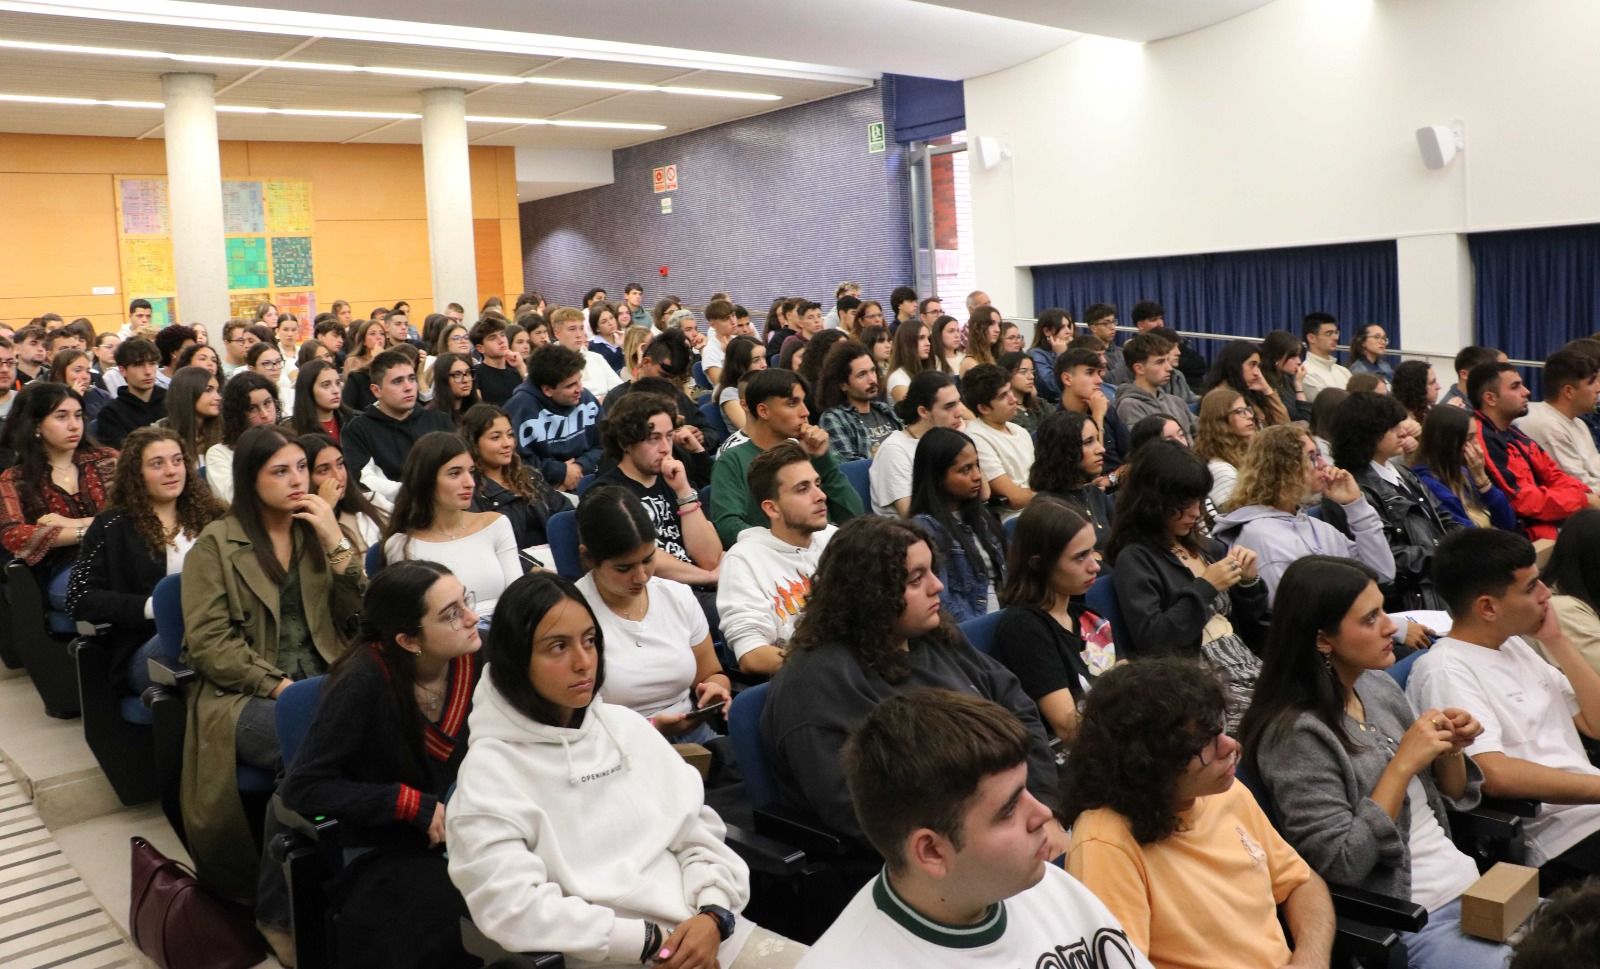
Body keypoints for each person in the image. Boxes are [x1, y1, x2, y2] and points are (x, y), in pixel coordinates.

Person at [445, 573, 798, 969]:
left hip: (705, 936)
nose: (583, 662)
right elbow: (513, 906)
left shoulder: (625, 728)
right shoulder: (489, 773)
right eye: (557, 647)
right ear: (516, 659)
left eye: (590, 641)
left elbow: (697, 834)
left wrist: (714, 914)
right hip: (611, 956)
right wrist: (649, 942)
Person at [1237, 556, 1507, 969]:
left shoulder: (1376, 685)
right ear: (1323, 640)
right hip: (1413, 920)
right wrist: (1401, 765)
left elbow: (1455, 797)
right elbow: (1341, 863)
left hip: (1478, 890)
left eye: (1383, 609)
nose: (1391, 627)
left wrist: (1449, 746)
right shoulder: (1295, 734)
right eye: (1370, 619)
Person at [761, 515, 1064, 849]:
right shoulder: (815, 684)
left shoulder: (932, 634)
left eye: (933, 571)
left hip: (1006, 821)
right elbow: (858, 810)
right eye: (916, 579)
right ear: (870, 593)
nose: (938, 586)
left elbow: (1019, 711)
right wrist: (1000, 832)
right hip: (932, 854)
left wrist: (1043, 808)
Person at [798, 689, 1153, 969]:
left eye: (1028, 790)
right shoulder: (849, 960)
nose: (1043, 813)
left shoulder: (1042, 883)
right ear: (932, 851)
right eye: (1009, 809)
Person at [180, 425, 365, 899]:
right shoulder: (215, 545)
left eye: (301, 467)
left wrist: (335, 542)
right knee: (306, 746)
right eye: (280, 471)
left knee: (381, 730)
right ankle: (281, 907)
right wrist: (279, 686)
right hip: (242, 696)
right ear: (251, 480)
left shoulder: (316, 533)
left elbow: (361, 615)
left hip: (325, 679)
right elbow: (209, 645)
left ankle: (361, 878)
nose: (297, 480)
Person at [1063, 659, 1337, 969]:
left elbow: (1302, 884)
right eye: (1203, 745)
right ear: (1147, 763)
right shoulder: (1105, 844)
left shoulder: (1226, 792)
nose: (1230, 745)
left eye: (1219, 727)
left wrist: (1309, 958)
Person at [276, 562, 482, 969]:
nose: (472, 617)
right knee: (447, 921)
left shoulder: (477, 656)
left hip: (471, 826)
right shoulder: (363, 681)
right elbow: (303, 787)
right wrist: (406, 804)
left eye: (465, 601)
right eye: (451, 614)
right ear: (408, 640)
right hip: (387, 845)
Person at [1406, 528, 1600, 891]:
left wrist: (1556, 640)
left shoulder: (1516, 646)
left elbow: (1597, 724)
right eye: (1531, 588)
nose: (1546, 595)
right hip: (1559, 842)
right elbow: (1493, 771)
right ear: (1488, 607)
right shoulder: (1446, 669)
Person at [1108, 442, 1269, 728]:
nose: (1196, 513)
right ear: (1154, 502)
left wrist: (1249, 583)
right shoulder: (1135, 559)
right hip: (1201, 687)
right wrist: (1205, 587)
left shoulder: (1208, 549)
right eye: (1184, 505)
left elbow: (1255, 630)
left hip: (1247, 664)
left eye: (1199, 500)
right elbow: (1153, 640)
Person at [65, 427, 224, 694]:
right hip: (148, 646)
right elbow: (79, 598)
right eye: (157, 464)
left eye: (177, 461)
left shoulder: (212, 516)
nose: (172, 471)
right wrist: (156, 607)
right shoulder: (111, 526)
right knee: (191, 627)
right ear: (136, 473)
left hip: (218, 630)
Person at [573, 486, 730, 742]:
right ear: (589, 558)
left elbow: (711, 673)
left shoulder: (676, 596)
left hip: (694, 736)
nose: (641, 576)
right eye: (623, 568)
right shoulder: (572, 614)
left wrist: (714, 690)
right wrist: (652, 726)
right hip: (614, 747)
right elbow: (572, 718)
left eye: (648, 560)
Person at [1212, 424, 1396, 605]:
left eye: (1319, 455)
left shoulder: (1316, 526)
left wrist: (1355, 506)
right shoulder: (1260, 536)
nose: (1324, 465)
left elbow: (1382, 572)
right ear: (1285, 467)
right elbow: (1294, 616)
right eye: (1312, 457)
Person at [1325, 391, 1460, 612]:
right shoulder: (1348, 489)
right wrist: (1448, 557)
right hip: (1410, 598)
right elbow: (1388, 556)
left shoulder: (1403, 473)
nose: (1403, 431)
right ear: (1368, 434)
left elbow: (1443, 518)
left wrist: (1465, 547)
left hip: (1441, 582)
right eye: (1392, 427)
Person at [992, 498, 1111, 744]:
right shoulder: (1024, 627)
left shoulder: (1089, 618)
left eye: (1092, 551)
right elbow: (1069, 728)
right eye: (1080, 557)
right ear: (1039, 563)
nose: (1095, 567)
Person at [715, 442, 835, 677]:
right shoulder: (744, 560)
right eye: (802, 489)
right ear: (772, 508)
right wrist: (830, 668)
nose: (820, 496)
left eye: (817, 484)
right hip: (808, 686)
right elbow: (752, 655)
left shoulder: (835, 539)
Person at [709, 368, 862, 548]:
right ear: (764, 411)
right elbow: (728, 526)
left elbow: (854, 516)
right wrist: (781, 548)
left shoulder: (805, 452)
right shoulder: (732, 460)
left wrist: (822, 459)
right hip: (771, 562)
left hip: (822, 553)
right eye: (792, 403)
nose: (805, 412)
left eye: (803, 402)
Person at [381, 432, 520, 621]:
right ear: (426, 480)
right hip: (452, 639)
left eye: (471, 472)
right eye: (455, 473)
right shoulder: (401, 545)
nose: (469, 483)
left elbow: (519, 598)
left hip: (506, 630)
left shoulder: (496, 525)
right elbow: (418, 620)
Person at [0, 381, 118, 598]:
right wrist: (88, 532)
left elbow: (138, 511)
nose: (75, 425)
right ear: (36, 426)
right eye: (61, 416)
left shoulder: (108, 460)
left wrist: (74, 524)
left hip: (123, 553)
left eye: (78, 415)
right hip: (67, 567)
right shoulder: (16, 479)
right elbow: (14, 535)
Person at [593, 392, 721, 591]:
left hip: (700, 586)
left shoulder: (674, 480)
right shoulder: (607, 494)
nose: (665, 448)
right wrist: (707, 577)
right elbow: (641, 556)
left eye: (669, 436)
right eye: (654, 438)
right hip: (656, 593)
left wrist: (683, 490)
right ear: (625, 443)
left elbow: (710, 558)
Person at [1470, 360, 1599, 540]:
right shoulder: (1481, 438)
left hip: (1550, 524)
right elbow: (1522, 500)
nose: (1527, 392)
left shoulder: (1513, 432)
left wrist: (1585, 496)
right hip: (1521, 535)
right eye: (1515, 387)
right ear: (1490, 398)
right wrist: (1583, 500)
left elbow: (1555, 474)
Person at [910, 427, 1006, 623]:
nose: (977, 475)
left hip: (1003, 622)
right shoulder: (926, 530)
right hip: (972, 632)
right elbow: (943, 604)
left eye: (977, 465)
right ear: (937, 477)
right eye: (965, 469)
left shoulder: (981, 518)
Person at [343, 350, 457, 502]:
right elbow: (364, 482)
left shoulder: (439, 420)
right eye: (398, 381)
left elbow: (458, 468)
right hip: (391, 514)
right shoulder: (357, 430)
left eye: (412, 378)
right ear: (376, 390)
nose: (408, 387)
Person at [459, 404, 567, 555]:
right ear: (474, 443)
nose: (507, 443)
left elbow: (564, 512)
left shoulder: (528, 476)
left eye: (510, 435)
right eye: (496, 437)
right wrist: (534, 568)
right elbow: (488, 548)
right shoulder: (469, 490)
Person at [505, 344, 603, 492]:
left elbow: (605, 445)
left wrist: (579, 467)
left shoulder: (587, 400)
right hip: (541, 489)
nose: (580, 389)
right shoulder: (518, 409)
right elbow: (514, 461)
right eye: (570, 386)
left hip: (589, 478)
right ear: (547, 390)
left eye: (579, 380)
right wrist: (560, 471)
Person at [869, 371, 965, 517]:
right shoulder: (894, 451)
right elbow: (913, 515)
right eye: (949, 406)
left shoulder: (952, 439)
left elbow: (983, 494)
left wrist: (964, 441)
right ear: (923, 412)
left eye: (959, 403)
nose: (959, 413)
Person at [1410, 404, 1517, 530]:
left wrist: (1482, 479)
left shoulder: (1464, 472)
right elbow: (1469, 537)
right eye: (1470, 438)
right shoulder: (1428, 485)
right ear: (1448, 443)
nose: (1477, 445)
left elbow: (1507, 523)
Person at [1515, 347, 1600, 488]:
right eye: (1592, 382)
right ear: (1568, 391)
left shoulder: (1578, 423)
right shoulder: (1546, 425)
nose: (1598, 388)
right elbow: (1578, 486)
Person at [1027, 410, 1111, 552]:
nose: (1101, 449)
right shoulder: (1048, 510)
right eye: (1088, 442)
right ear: (1064, 451)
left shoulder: (1094, 493)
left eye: (1097, 439)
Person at [960, 364, 1035, 520]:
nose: (1013, 399)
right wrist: (1052, 493)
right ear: (984, 408)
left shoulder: (1019, 431)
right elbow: (1015, 498)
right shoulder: (976, 438)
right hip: (1017, 519)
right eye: (1003, 396)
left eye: (1011, 391)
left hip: (1042, 506)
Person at [815, 341, 901, 463]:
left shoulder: (884, 409)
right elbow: (852, 467)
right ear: (843, 385)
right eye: (862, 375)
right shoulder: (834, 418)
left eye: (873, 370)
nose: (872, 379)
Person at [204, 372, 281, 504]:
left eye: (267, 403)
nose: (265, 414)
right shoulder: (219, 454)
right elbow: (232, 499)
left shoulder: (287, 442)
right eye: (252, 409)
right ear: (237, 415)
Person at [1056, 346, 1131, 473]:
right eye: (1090, 373)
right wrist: (1097, 417)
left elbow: (1134, 456)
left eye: (1099, 373)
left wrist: (1113, 478)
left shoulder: (1106, 410)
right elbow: (1088, 473)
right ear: (1067, 379)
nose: (1099, 381)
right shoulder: (1057, 424)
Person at [1115, 332, 1198, 440]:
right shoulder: (1130, 406)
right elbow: (1148, 449)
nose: (1169, 368)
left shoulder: (1176, 402)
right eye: (1160, 362)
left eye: (1167, 360)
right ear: (1139, 368)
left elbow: (1203, 432)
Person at [95, 337, 167, 447]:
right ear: (123, 370)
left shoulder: (172, 401)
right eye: (138, 365)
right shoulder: (111, 413)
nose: (148, 371)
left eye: (152, 363)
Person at [1193, 387, 1255, 510]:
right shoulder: (1220, 469)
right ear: (1220, 420)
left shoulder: (1247, 452)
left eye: (1247, 410)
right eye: (1239, 411)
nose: (1249, 416)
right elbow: (1235, 518)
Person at [1203, 340, 1288, 428]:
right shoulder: (1219, 397)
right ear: (1235, 365)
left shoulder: (1251, 391)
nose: (1257, 373)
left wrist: (1267, 390)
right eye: (1252, 365)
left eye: (1258, 366)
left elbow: (1284, 427)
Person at [288, 358, 356, 443]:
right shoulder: (291, 432)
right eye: (326, 385)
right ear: (308, 390)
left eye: (338, 383)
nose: (336, 390)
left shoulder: (354, 421)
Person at [713, 335, 765, 432]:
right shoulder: (730, 393)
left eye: (764, 358)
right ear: (740, 365)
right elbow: (752, 431)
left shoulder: (766, 385)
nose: (764, 365)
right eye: (756, 360)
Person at [49, 347, 113, 424]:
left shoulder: (101, 396)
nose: (85, 376)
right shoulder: (49, 399)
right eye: (77, 370)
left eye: (88, 371)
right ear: (59, 373)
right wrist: (74, 397)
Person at [469, 317, 522, 407]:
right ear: (480, 348)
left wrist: (521, 367)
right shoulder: (476, 375)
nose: (501, 341)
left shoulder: (516, 372)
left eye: (502, 335)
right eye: (492, 338)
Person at [1261, 329, 1312, 422]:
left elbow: (1305, 418)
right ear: (1276, 357)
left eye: (1299, 356)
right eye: (1293, 357)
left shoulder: (1285, 380)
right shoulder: (1264, 384)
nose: (1299, 362)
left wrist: (1298, 384)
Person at [1301, 312, 1352, 401]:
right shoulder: (1306, 372)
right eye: (1329, 333)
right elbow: (1327, 407)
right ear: (1311, 338)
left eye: (1336, 333)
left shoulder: (1343, 371)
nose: (1335, 337)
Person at [996, 351, 1050, 435]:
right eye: (1023, 371)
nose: (1031, 376)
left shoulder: (1040, 404)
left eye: (1032, 372)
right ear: (1007, 374)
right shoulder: (1005, 411)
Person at [884, 319, 934, 403]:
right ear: (907, 343)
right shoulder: (897, 378)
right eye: (921, 338)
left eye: (928, 338)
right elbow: (914, 412)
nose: (928, 343)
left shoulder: (927, 371)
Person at [1440, 345, 1502, 410]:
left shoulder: (1482, 398)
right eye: (1483, 374)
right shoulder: (1449, 409)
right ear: (1464, 374)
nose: (1489, 379)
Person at [429, 351, 480, 424]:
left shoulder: (478, 412)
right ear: (443, 378)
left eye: (468, 373)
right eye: (457, 375)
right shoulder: (432, 417)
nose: (465, 380)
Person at [1391, 359, 1438, 429]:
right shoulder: (1399, 425)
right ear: (1417, 388)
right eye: (1432, 383)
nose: (1438, 387)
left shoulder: (1425, 411)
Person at [958, 305, 1003, 376]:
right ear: (978, 327)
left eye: (999, 325)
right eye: (991, 324)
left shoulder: (997, 358)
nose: (997, 330)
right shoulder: (970, 363)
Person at [588, 301, 626, 375]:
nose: (610, 323)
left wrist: (623, 346)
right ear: (597, 328)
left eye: (611, 318)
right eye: (604, 321)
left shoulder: (622, 338)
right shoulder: (591, 346)